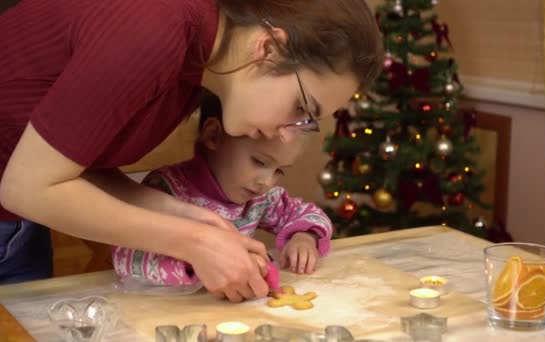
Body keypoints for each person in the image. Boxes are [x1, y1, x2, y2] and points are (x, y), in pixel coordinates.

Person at [0, 0, 383, 301]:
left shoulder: (198, 70)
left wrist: (188, 217)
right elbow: (26, 187)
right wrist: (192, 242)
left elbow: (73, 166)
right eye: (301, 108)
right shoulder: (151, 30)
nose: (287, 136)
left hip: (17, 229)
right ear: (268, 48)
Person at [113, 91, 332, 291]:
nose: (267, 182)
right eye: (259, 162)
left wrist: (304, 238)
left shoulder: (261, 199)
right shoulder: (165, 190)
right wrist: (201, 262)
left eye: (279, 171)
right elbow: (127, 260)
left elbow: (306, 214)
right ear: (213, 135)